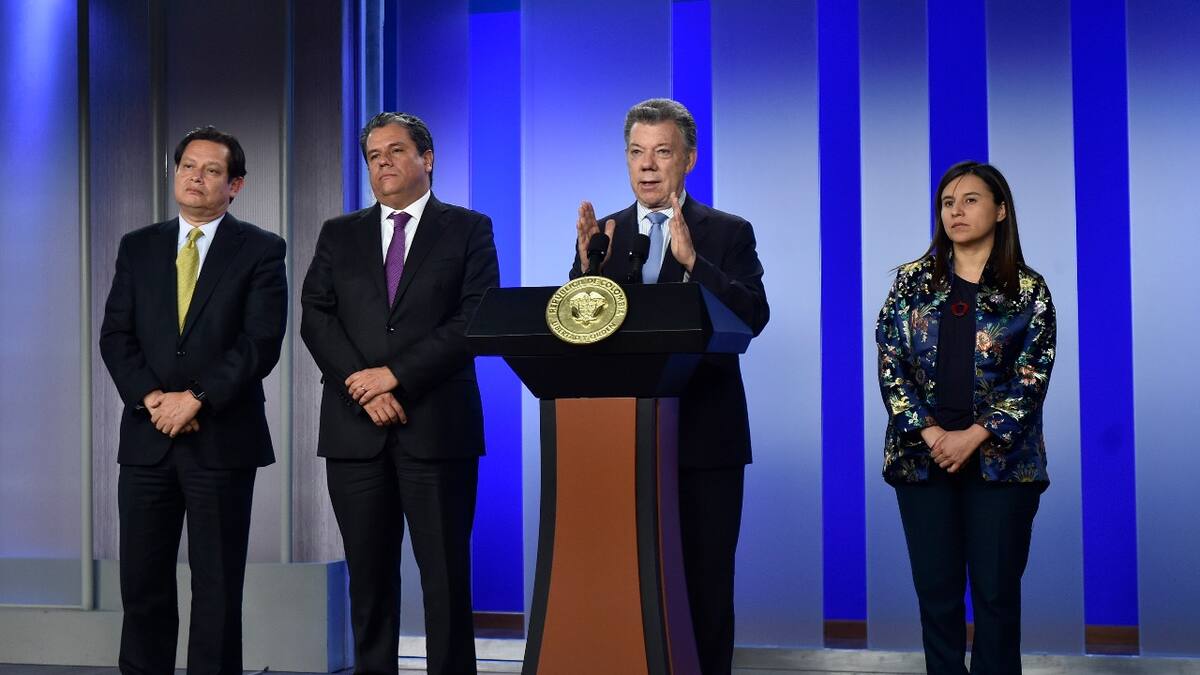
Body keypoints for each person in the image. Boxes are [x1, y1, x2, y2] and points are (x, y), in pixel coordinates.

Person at [570, 98, 769, 675]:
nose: (647, 165)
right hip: (622, 439)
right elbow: (579, 331)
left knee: (705, 583)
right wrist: (584, 272)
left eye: (662, 152)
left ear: (689, 159)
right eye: (637, 152)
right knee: (626, 581)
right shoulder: (605, 234)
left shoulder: (728, 232)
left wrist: (695, 263)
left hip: (706, 437)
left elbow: (753, 317)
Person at [300, 112, 499, 675]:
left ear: (427, 158)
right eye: (373, 155)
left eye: (395, 151)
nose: (382, 163)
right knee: (368, 580)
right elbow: (316, 316)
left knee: (445, 578)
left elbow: (476, 317)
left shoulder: (468, 228)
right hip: (354, 432)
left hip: (437, 429)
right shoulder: (339, 233)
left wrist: (395, 375)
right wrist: (363, 386)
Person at [99, 126, 288, 674]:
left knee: (218, 587)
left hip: (222, 440)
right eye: (188, 166)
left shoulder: (261, 249)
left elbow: (260, 343)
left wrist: (196, 398)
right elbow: (116, 335)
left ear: (235, 185)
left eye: (211, 170)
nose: (196, 177)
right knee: (142, 584)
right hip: (148, 437)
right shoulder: (138, 246)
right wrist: (153, 397)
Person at [875, 161, 1056, 674]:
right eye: (947, 202)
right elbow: (890, 363)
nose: (956, 211)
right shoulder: (911, 283)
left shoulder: (1029, 290)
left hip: (1003, 467)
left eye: (970, 200)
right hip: (923, 461)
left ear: (1000, 211)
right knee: (937, 598)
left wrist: (973, 436)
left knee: (997, 599)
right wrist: (934, 435)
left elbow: (1031, 378)